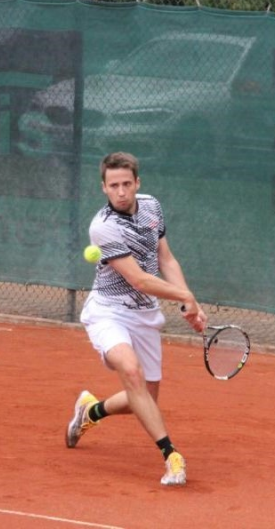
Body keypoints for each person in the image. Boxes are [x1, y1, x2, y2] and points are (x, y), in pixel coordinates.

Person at [66, 151, 207, 486]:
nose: (121, 191)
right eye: (113, 185)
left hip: (145, 315)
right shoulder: (104, 227)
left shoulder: (152, 207)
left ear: (137, 183)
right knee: (131, 372)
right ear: (103, 187)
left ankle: (91, 411)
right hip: (108, 312)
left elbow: (166, 259)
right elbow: (140, 280)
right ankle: (171, 456)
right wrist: (184, 297)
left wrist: (190, 302)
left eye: (126, 184)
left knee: (144, 399)